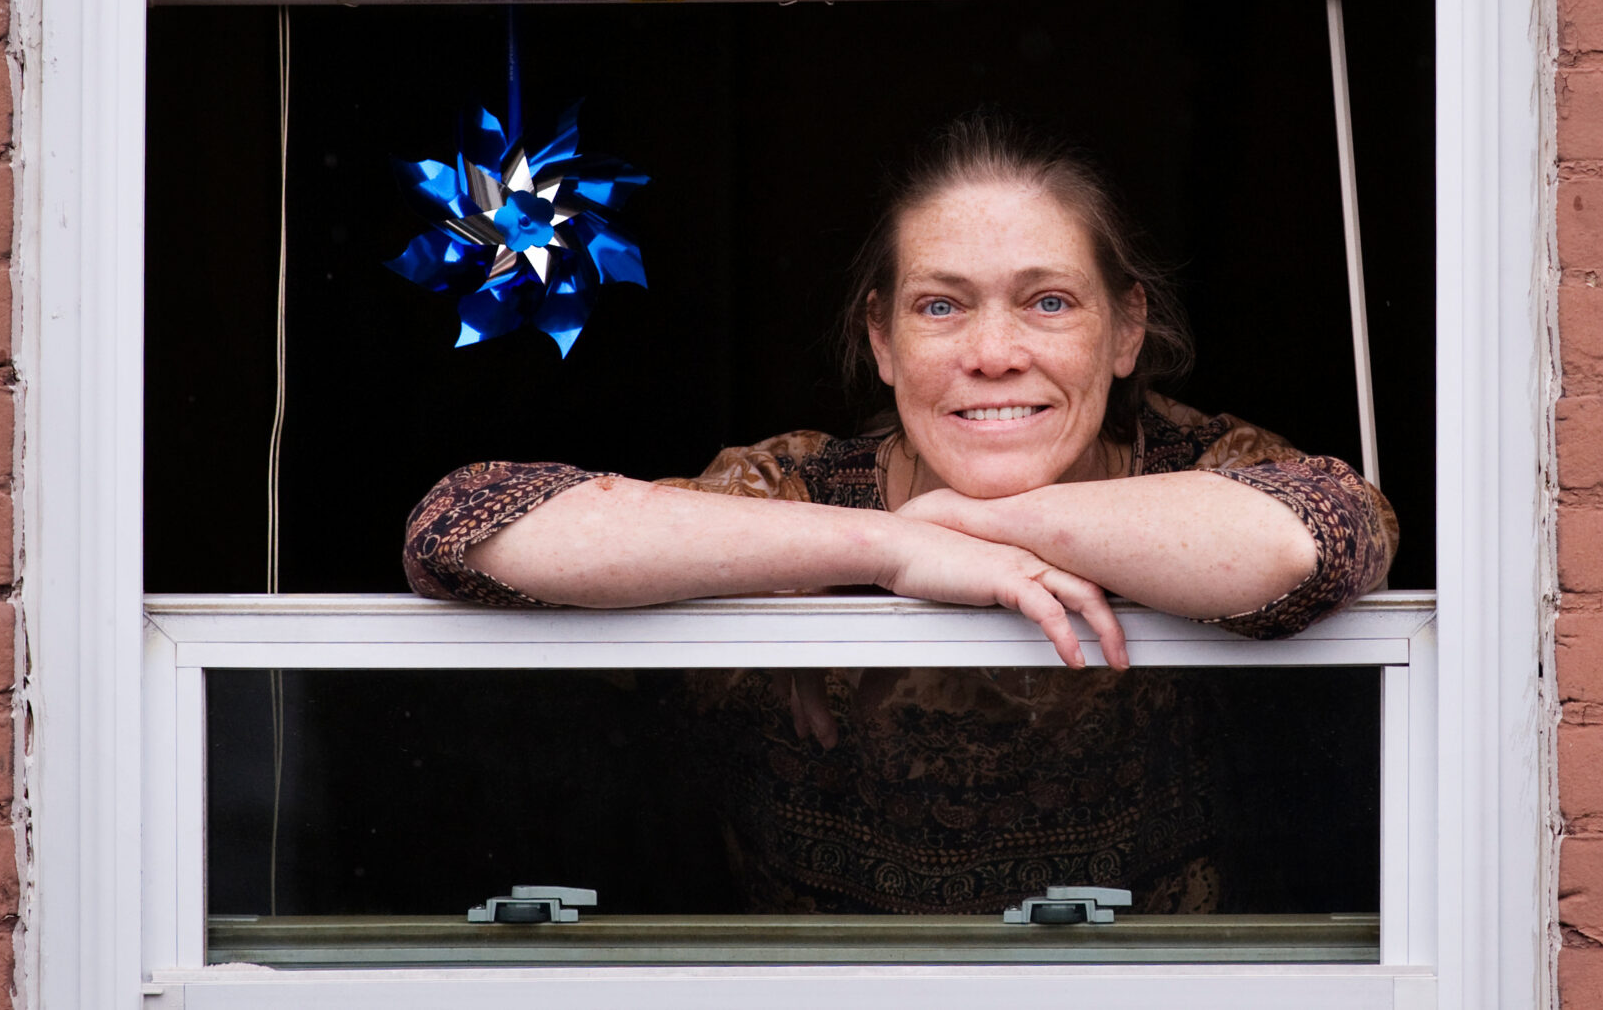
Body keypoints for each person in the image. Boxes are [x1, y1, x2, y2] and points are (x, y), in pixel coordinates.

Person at [402, 116, 1397, 916]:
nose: (994, 351)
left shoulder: (1208, 471)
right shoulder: (798, 492)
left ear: (1126, 328)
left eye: (1048, 302)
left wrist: (981, 517)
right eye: (940, 307)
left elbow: (1305, 543)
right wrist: (890, 545)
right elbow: (464, 530)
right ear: (878, 337)